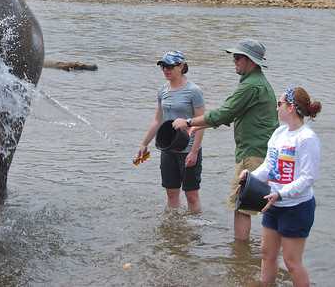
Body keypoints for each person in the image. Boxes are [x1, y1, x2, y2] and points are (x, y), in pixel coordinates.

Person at [172, 39, 278, 240]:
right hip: (259, 151)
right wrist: (198, 125)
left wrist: (187, 121)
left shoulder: (251, 86)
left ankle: (240, 253)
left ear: (251, 61)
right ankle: (250, 256)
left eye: (238, 57)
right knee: (253, 203)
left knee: (242, 204)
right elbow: (231, 114)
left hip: (253, 153)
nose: (234, 61)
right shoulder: (254, 82)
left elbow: (224, 114)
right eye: (234, 57)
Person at [240, 86, 321, 287]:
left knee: (292, 263)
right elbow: (269, 165)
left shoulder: (307, 138)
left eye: (280, 104)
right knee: (267, 255)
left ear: (291, 107)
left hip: (297, 208)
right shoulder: (279, 133)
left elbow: (307, 178)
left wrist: (280, 193)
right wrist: (251, 176)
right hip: (273, 204)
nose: (277, 108)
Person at [137, 51, 205, 213]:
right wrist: (144, 144)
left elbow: (202, 122)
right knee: (171, 194)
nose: (166, 70)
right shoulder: (162, 91)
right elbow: (157, 120)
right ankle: (174, 229)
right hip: (168, 148)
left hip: (188, 149)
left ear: (181, 66)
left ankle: (195, 230)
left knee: (192, 195)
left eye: (169, 66)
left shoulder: (193, 91)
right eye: (163, 67)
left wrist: (194, 151)